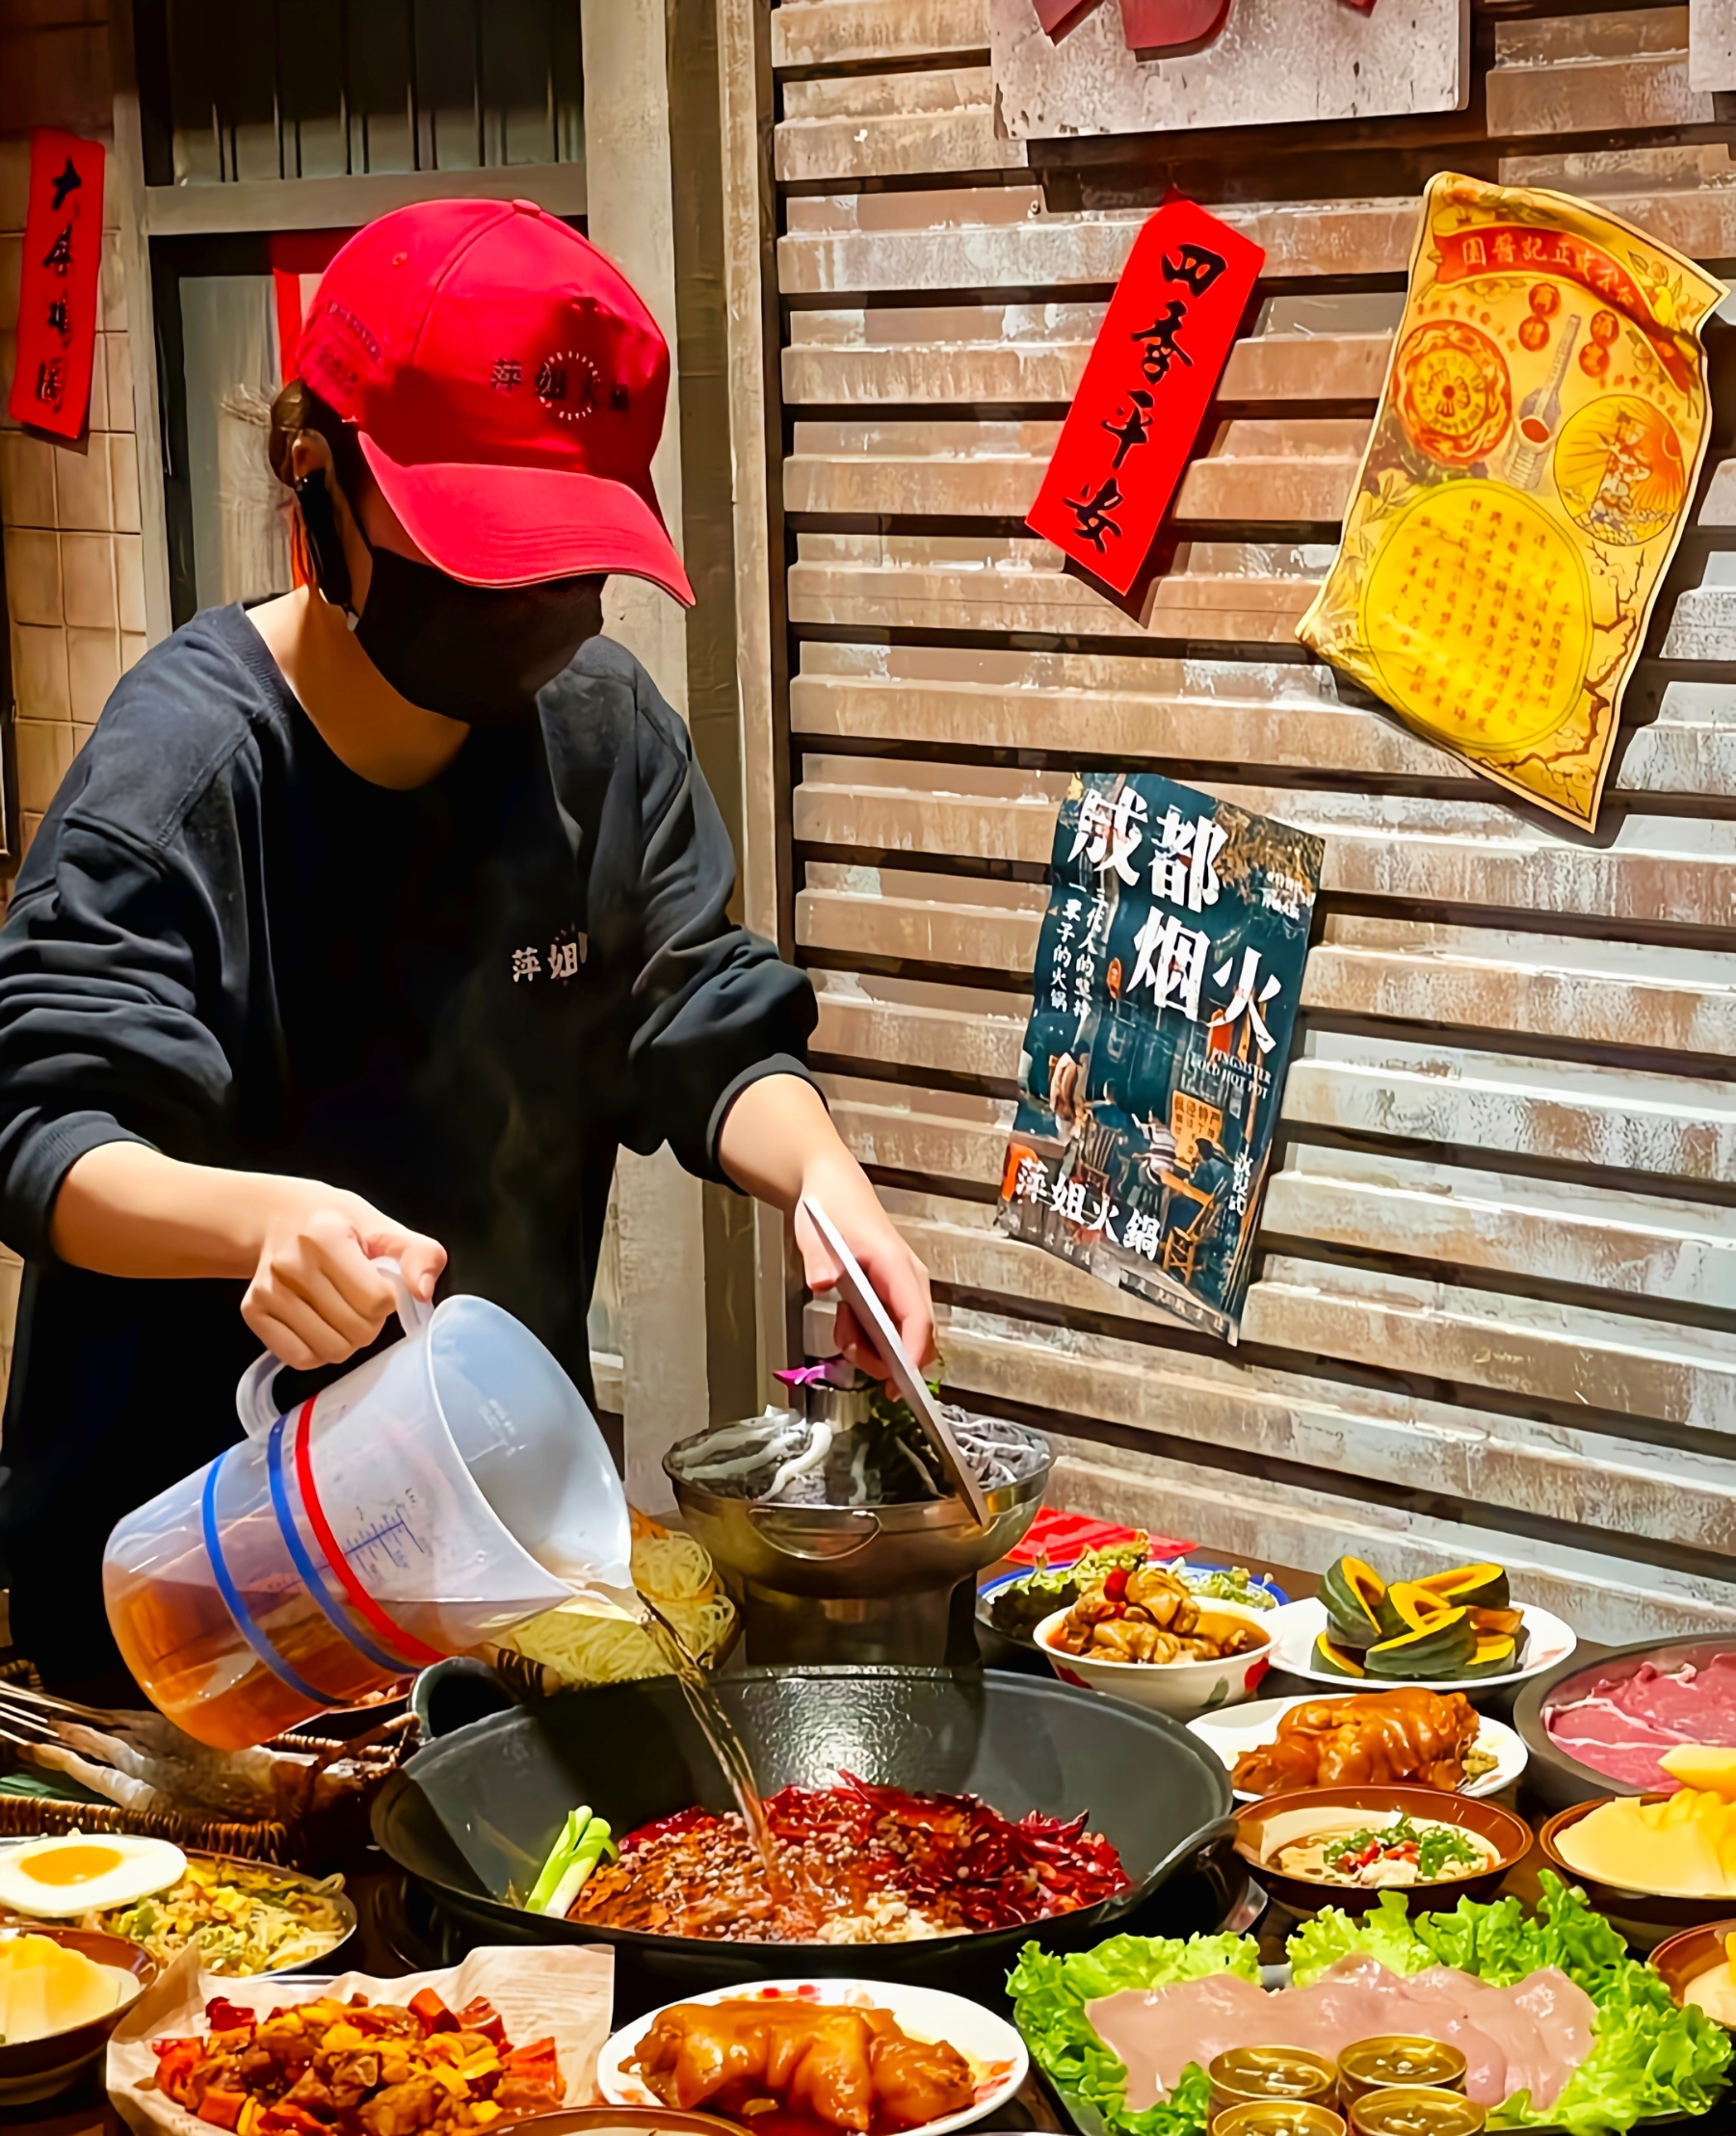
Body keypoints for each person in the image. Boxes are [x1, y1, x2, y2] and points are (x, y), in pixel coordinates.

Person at [0, 199, 934, 1699]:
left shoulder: (602, 737)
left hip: (475, 1554)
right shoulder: (189, 772)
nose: (532, 610)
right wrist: (258, 1222)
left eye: (568, 559)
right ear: (316, 474)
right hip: (189, 1606)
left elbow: (696, 1012)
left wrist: (825, 1180)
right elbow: (43, 1132)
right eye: (482, 553)